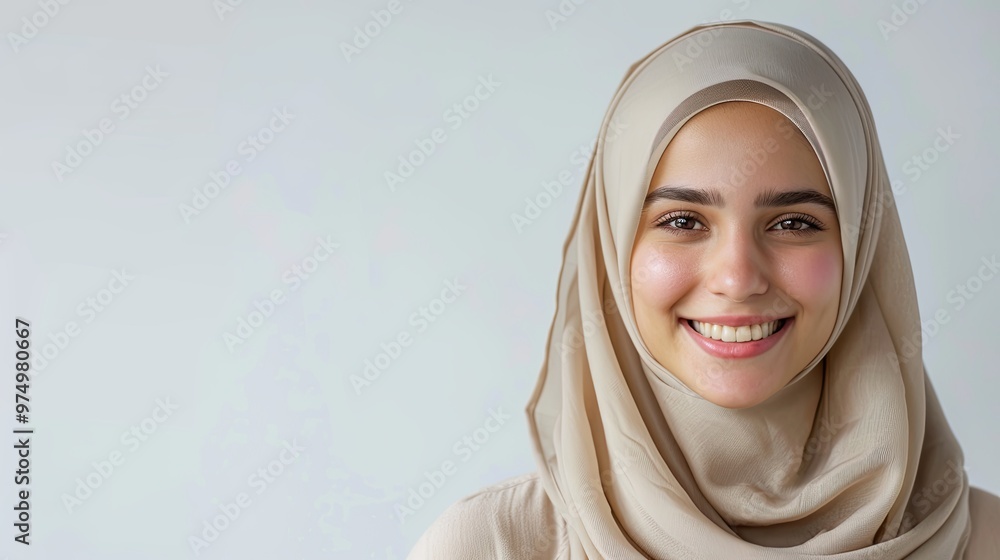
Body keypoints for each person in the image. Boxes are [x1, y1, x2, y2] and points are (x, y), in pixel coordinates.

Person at [408, 19, 1000, 559]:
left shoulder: (983, 539)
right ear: (613, 254)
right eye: (682, 221)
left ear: (863, 249)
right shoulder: (493, 547)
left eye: (795, 223)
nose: (737, 278)